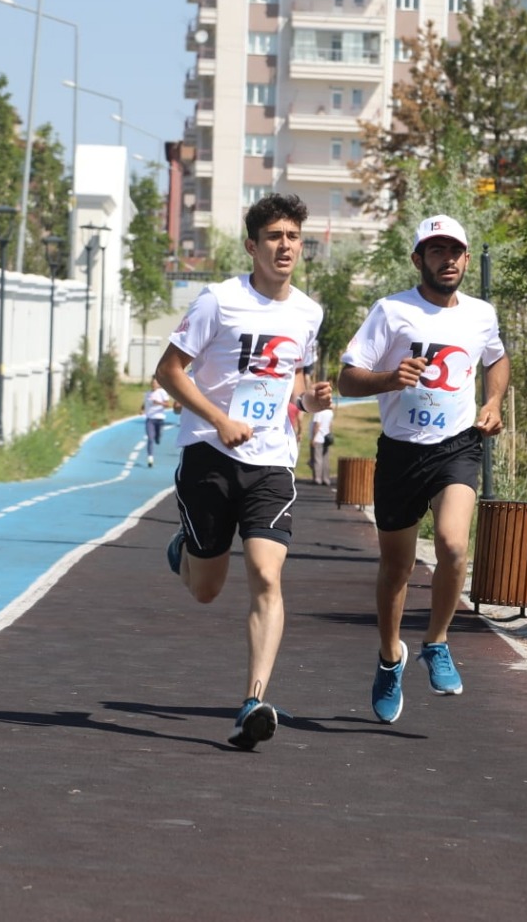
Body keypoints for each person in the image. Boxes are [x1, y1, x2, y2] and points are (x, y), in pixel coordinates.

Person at [154, 193, 334, 750]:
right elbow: (168, 372)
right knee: (207, 589)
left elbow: (294, 383)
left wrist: (310, 401)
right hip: (210, 454)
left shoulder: (308, 311)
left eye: (294, 238)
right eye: (275, 237)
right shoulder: (219, 302)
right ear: (252, 245)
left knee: (267, 574)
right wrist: (217, 417)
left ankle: (255, 700)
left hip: (271, 464)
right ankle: (185, 550)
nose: (286, 247)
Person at [338, 215, 509, 724]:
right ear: (419, 260)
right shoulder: (391, 311)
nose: (449, 259)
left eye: (455, 250)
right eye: (436, 251)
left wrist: (495, 401)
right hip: (400, 451)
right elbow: (347, 380)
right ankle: (391, 657)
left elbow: (496, 359)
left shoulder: (481, 314)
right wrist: (390, 378)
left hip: (456, 446)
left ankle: (437, 642)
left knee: (455, 544)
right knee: (397, 568)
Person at [142, 376, 170, 467]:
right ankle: (150, 458)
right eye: (152, 383)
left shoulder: (162, 392)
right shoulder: (147, 394)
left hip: (160, 418)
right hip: (150, 418)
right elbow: (145, 403)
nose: (153, 385)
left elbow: (167, 405)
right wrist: (141, 409)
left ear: (158, 384)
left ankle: (157, 438)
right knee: (150, 438)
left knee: (157, 437)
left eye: (155, 383)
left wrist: (159, 403)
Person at [309, 400, 334, 485]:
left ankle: (317, 478)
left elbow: (317, 425)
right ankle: (326, 478)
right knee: (325, 459)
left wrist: (313, 438)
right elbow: (330, 425)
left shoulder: (318, 412)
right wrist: (329, 435)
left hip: (318, 438)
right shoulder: (329, 412)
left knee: (317, 459)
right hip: (326, 438)